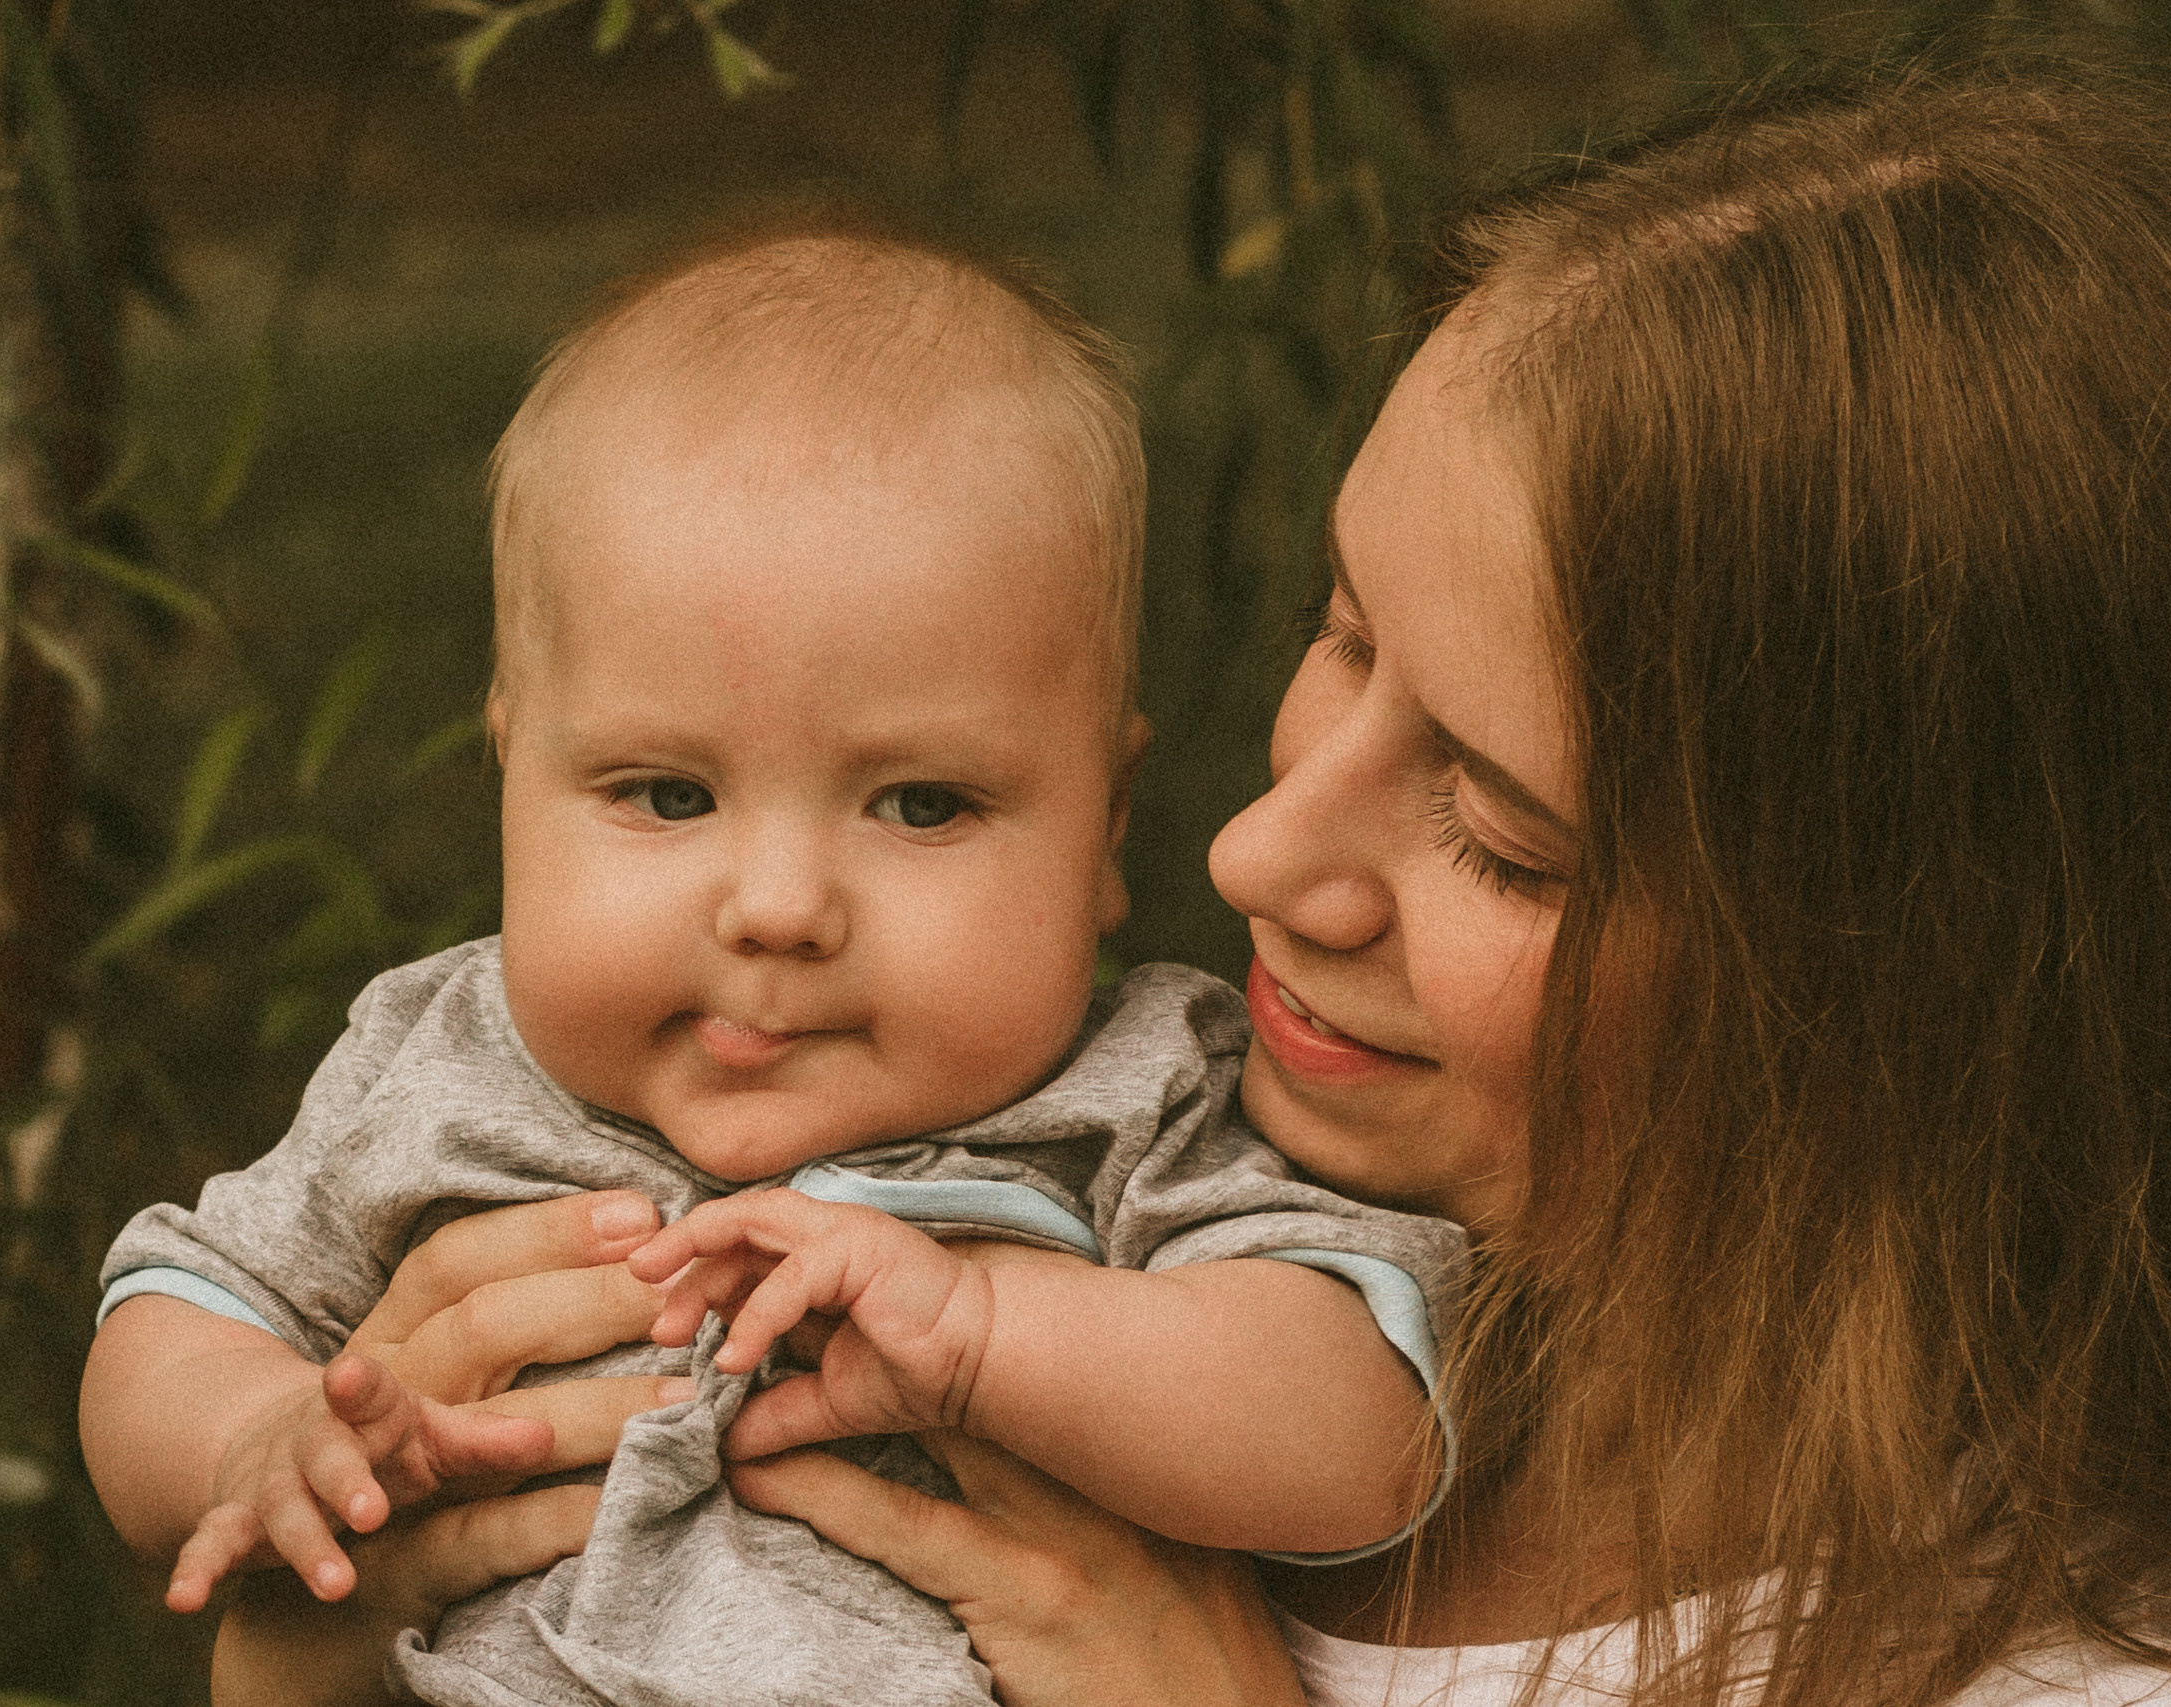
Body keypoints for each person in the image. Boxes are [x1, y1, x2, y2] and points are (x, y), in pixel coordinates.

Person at [212, 44, 2171, 1707]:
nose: (1253, 852)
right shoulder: (1111, 1198)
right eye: (1338, 632)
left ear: (1909, 985)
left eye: (1495, 826)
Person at [78, 229, 1469, 1707]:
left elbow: (1362, 1438)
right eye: (668, 796)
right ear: (510, 777)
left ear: (1104, 827)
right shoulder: (437, 1062)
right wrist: (253, 1430)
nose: (781, 909)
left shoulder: (1143, 1099)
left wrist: (990, 1330)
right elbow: (176, 1305)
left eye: (922, 805)